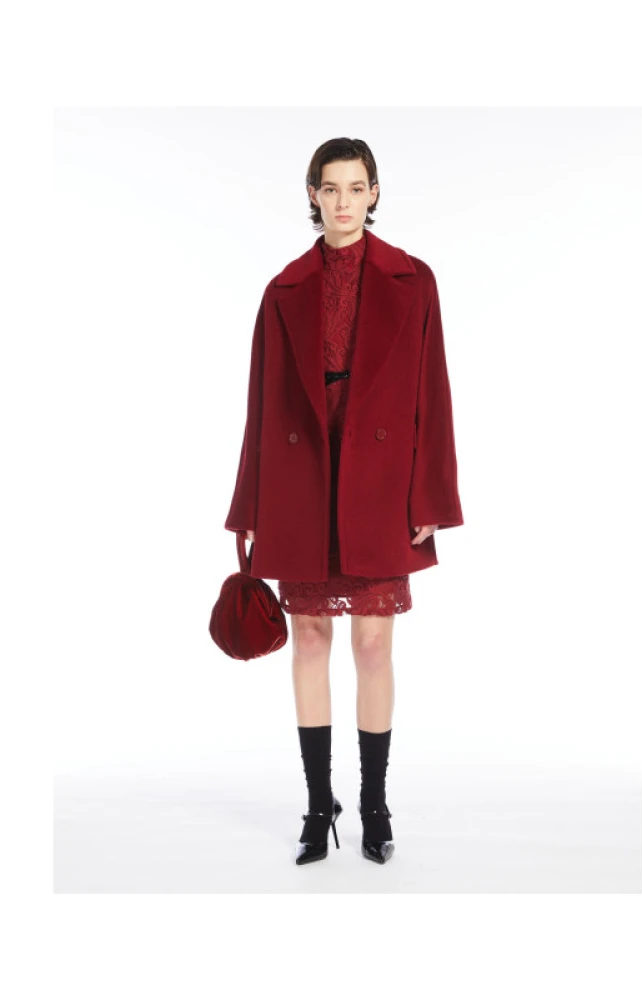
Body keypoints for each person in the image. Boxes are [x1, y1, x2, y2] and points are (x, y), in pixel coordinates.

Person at [225, 138, 463, 865]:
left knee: (373, 643)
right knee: (309, 640)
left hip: (381, 483)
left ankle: (374, 803)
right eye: (331, 189)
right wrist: (250, 508)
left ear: (375, 193)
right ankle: (317, 802)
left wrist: (431, 495)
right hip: (302, 482)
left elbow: (433, 394)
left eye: (356, 188)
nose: (344, 202)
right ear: (312, 196)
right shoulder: (283, 289)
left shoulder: (414, 280)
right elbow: (261, 406)